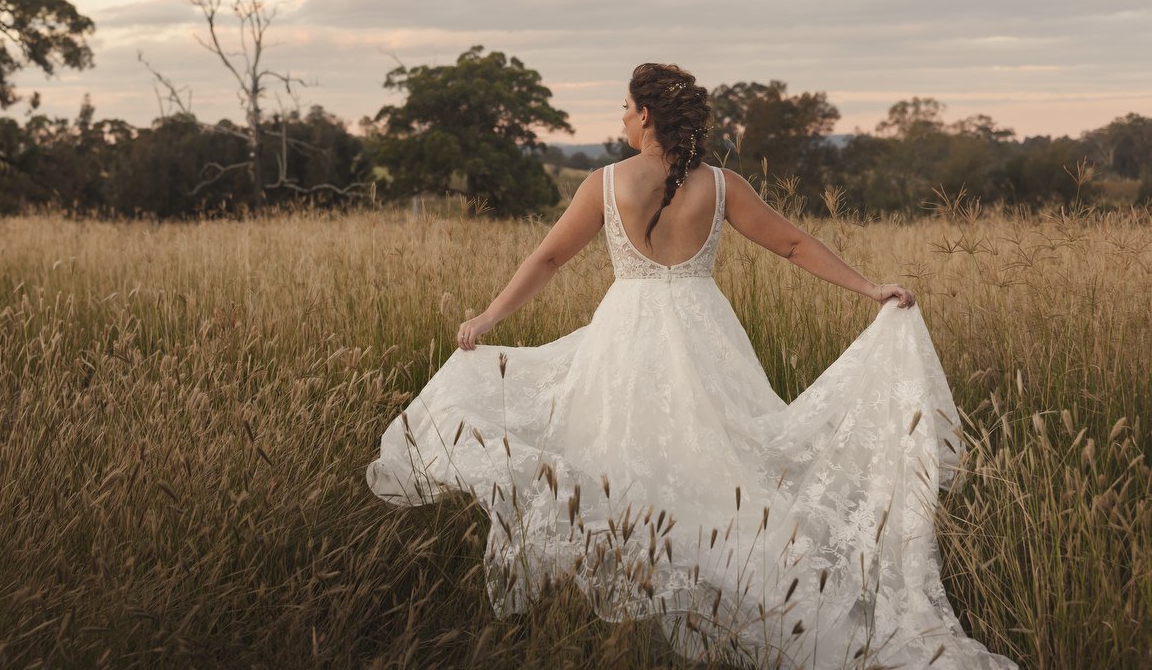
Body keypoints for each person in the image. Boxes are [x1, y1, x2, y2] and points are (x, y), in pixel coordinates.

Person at [366, 63, 1019, 670]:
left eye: (626, 108)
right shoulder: (721, 184)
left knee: (621, 468)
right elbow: (793, 244)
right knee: (719, 468)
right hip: (706, 336)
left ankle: (648, 612)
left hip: (624, 339)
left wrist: (488, 318)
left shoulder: (606, 183)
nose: (621, 119)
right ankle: (718, 596)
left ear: (646, 114)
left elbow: (548, 260)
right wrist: (869, 286)